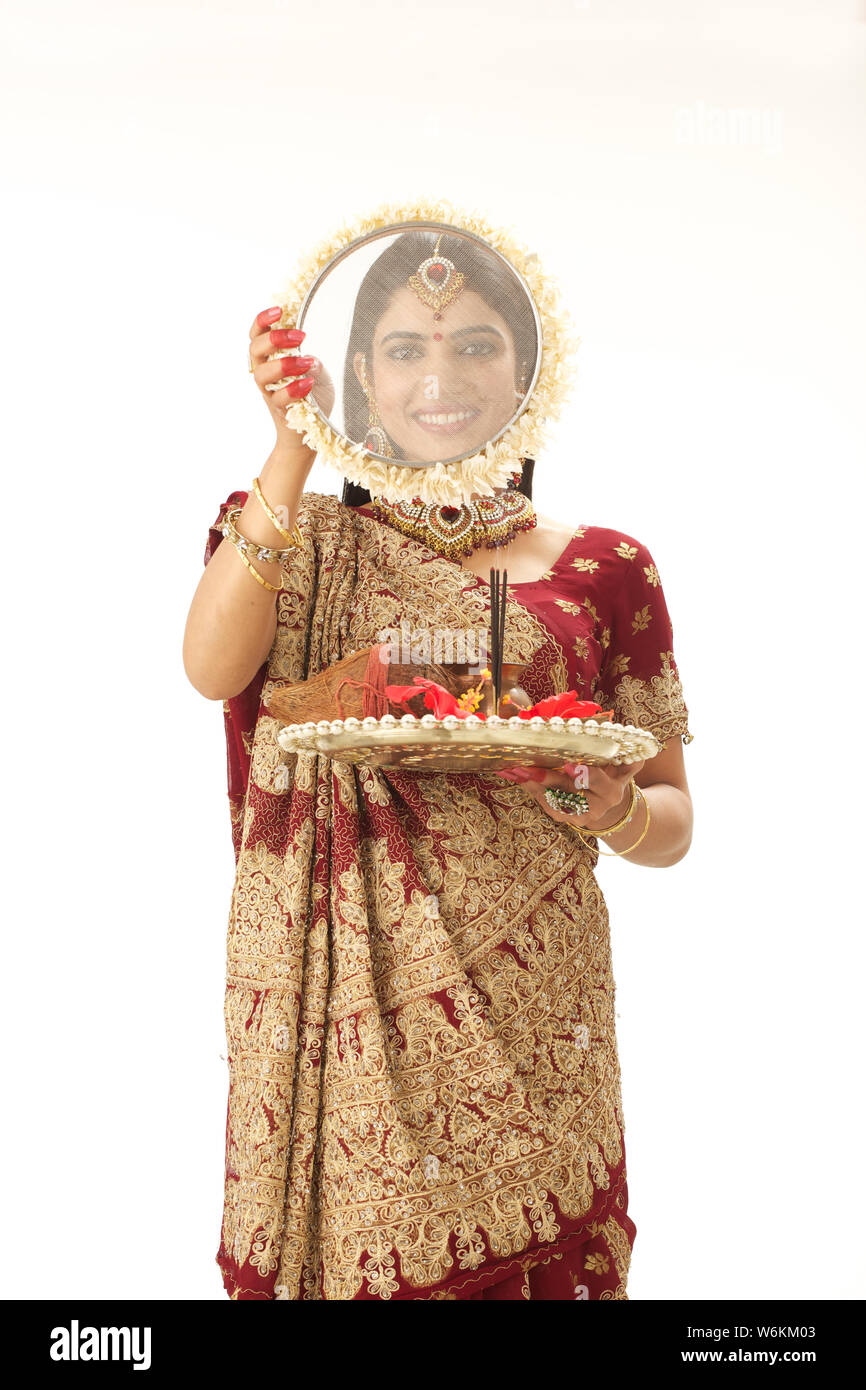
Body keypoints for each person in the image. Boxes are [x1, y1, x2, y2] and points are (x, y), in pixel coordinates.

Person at [183, 235, 694, 1301]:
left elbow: (670, 817)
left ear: (524, 370)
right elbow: (210, 664)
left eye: (473, 345)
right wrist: (288, 446)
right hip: (340, 1018)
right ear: (362, 375)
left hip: (536, 1011)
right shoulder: (303, 538)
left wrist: (605, 805)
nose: (439, 377)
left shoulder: (606, 567)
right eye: (405, 349)